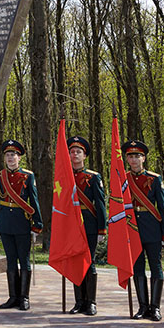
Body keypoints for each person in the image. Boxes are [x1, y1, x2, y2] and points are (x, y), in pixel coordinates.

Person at [0, 139, 43, 311]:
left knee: (24, 260)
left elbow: (34, 201)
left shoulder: (28, 176)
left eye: (14, 155)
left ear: (19, 158)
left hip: (22, 223)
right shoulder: (0, 176)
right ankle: (13, 297)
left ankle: (24, 298)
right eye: (8, 155)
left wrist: (37, 225)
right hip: (5, 223)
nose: (11, 158)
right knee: (11, 261)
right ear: (4, 158)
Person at [123, 140, 164, 321]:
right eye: (130, 156)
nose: (134, 159)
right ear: (127, 159)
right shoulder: (124, 180)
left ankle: (155, 307)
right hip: (132, 228)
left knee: (156, 267)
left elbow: (163, 207)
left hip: (152, 227)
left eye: (137, 156)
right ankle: (142, 306)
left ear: (143, 158)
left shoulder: (154, 178)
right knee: (137, 269)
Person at [68, 135, 106, 316]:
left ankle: (91, 302)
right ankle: (79, 302)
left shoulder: (93, 177)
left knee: (89, 263)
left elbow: (99, 204)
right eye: (72, 151)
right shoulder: (64, 177)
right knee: (76, 264)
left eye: (78, 152)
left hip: (89, 224)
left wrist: (101, 228)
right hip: (71, 226)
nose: (75, 154)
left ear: (85, 156)